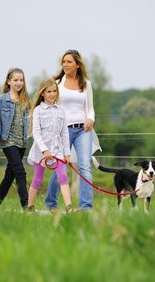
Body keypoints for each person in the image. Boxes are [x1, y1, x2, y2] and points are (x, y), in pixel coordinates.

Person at [45, 49, 101, 211]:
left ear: (77, 65)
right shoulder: (57, 84)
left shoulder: (86, 84)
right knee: (59, 167)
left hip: (83, 130)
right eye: (63, 61)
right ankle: (51, 205)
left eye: (69, 62)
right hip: (62, 131)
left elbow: (90, 108)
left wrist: (90, 118)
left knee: (85, 167)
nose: (65, 64)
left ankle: (86, 208)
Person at [26, 78, 75, 213]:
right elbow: (36, 133)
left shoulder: (61, 110)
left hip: (57, 150)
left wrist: (67, 153)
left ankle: (69, 207)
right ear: (43, 93)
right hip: (41, 152)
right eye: (49, 92)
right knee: (38, 179)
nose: (52, 94)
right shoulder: (38, 111)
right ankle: (30, 206)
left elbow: (64, 133)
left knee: (63, 176)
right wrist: (45, 150)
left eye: (54, 91)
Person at [0, 68, 31, 209]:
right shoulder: (1, 100)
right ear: (8, 81)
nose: (19, 83)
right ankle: (26, 206)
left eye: (21, 80)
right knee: (20, 171)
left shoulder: (26, 100)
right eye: (15, 80)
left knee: (10, 175)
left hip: (22, 142)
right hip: (8, 141)